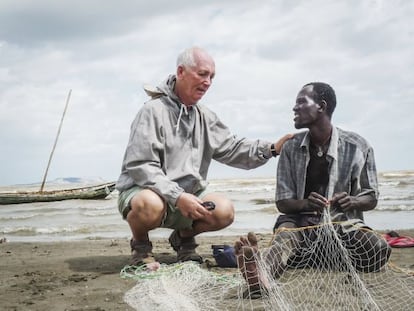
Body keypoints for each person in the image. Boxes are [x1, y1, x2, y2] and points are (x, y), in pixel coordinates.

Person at [115, 46, 292, 266]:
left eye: (212, 76)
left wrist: (271, 149)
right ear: (181, 72)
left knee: (224, 211)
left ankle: (183, 240)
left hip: (189, 196)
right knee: (149, 205)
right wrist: (178, 196)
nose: (208, 82)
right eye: (202, 74)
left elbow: (232, 148)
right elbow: (141, 165)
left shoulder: (205, 116)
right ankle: (141, 247)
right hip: (147, 192)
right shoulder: (152, 111)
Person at [235, 82, 391, 295]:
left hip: (341, 226)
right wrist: (306, 203)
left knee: (379, 250)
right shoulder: (290, 147)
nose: (294, 108)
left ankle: (316, 257)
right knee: (284, 241)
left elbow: (371, 196)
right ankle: (260, 276)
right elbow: (283, 203)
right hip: (299, 226)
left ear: (321, 106)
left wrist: (353, 201)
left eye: (301, 102)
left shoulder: (358, 146)